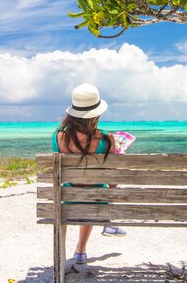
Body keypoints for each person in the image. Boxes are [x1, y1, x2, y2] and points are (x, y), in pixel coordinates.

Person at [52, 83, 126, 265]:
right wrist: (119, 157)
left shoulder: (59, 137)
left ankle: (81, 250)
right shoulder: (107, 138)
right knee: (96, 190)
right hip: (96, 200)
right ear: (97, 113)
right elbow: (113, 181)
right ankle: (81, 250)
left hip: (67, 199)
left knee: (83, 190)